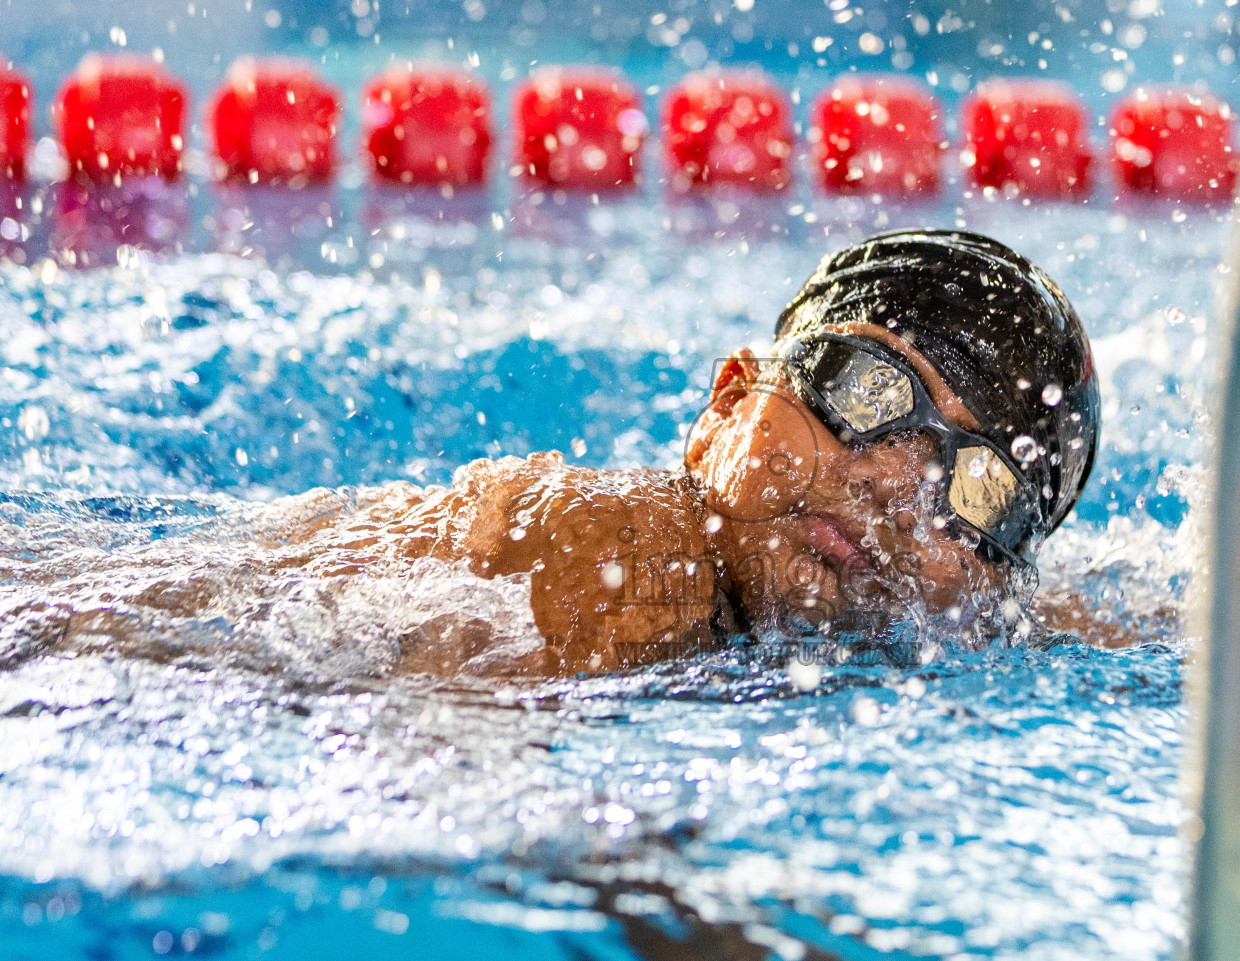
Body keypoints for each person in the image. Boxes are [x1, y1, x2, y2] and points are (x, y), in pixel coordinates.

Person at [3, 228, 1105, 677]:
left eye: (974, 489)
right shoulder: (623, 555)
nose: (889, 484)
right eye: (870, 393)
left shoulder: (931, 621)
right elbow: (433, 740)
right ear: (726, 404)